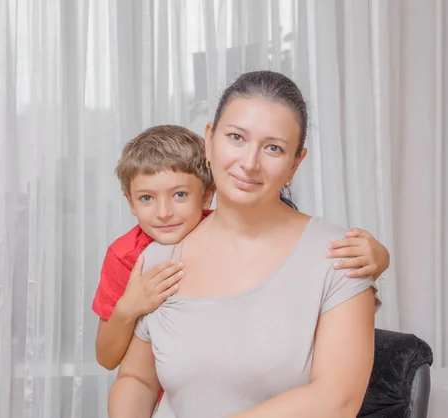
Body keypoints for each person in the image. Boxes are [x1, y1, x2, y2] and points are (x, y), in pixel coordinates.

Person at [108, 71, 382, 418]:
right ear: (209, 140)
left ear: (295, 163)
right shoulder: (159, 257)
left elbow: (336, 400)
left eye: (273, 148)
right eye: (236, 137)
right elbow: (137, 378)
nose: (250, 163)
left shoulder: (342, 257)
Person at [93, 125, 390, 371]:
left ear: (208, 195)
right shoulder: (124, 256)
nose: (163, 212)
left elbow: (298, 267)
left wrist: (380, 258)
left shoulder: (228, 231)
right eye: (146, 198)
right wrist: (128, 308)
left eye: (180, 194)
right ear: (130, 202)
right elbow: (107, 359)